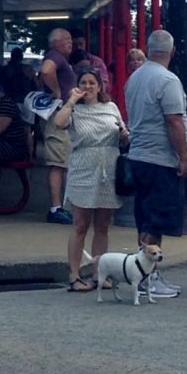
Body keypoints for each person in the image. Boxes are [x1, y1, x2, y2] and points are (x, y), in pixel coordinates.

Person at [124, 29, 187, 298]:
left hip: (139, 155)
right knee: (157, 218)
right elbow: (174, 120)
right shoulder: (167, 80)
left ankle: (146, 273)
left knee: (145, 216)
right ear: (172, 52)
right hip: (161, 159)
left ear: (148, 50)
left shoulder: (135, 78)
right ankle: (147, 277)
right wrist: (183, 156)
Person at [53, 67, 129, 292]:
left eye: (92, 83)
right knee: (80, 225)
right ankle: (74, 275)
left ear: (99, 86)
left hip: (108, 166)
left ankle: (99, 274)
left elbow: (122, 134)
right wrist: (71, 101)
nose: (88, 87)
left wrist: (125, 136)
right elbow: (58, 123)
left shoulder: (111, 107)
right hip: (83, 167)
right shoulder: (74, 110)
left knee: (103, 226)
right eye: (83, 83)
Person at [40, 27, 75, 225]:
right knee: (58, 161)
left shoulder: (61, 59)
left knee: (63, 160)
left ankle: (62, 206)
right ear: (56, 43)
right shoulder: (55, 56)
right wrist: (56, 91)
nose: (70, 42)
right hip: (58, 114)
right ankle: (56, 208)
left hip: (62, 113)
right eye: (66, 39)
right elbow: (46, 71)